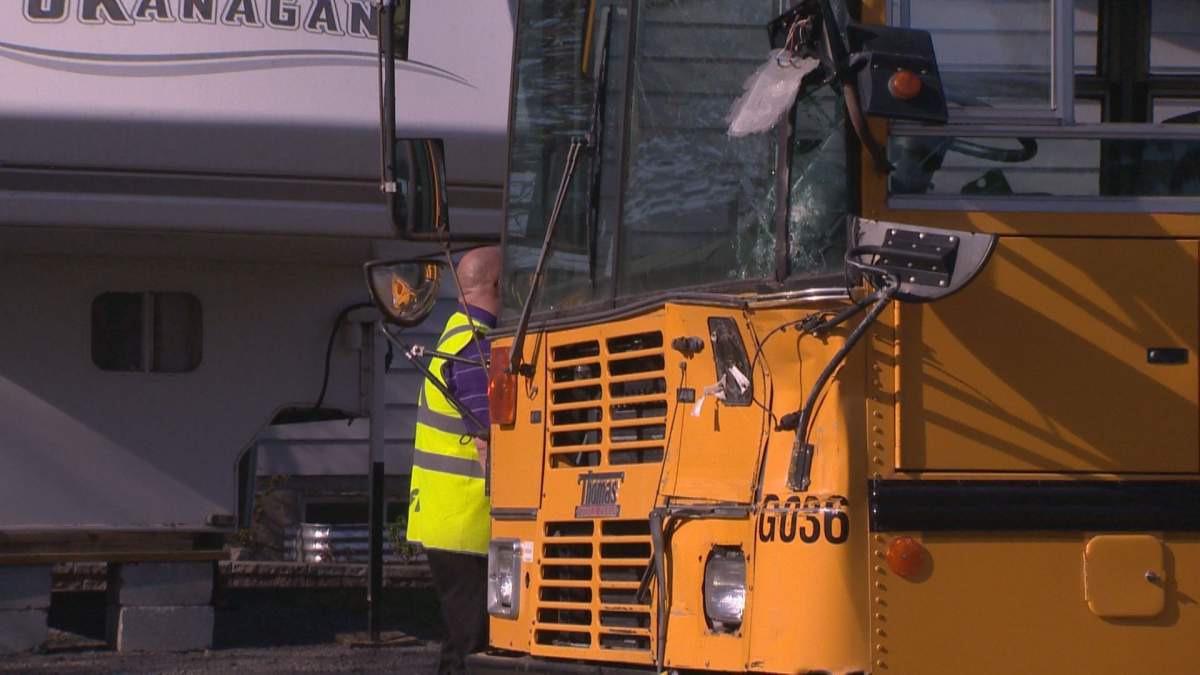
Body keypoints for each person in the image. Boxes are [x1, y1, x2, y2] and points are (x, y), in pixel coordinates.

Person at [406, 246, 500, 675]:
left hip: (448, 521)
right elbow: (490, 439)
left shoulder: (454, 336)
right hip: (468, 525)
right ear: (499, 286)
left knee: (460, 641)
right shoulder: (476, 349)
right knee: (473, 645)